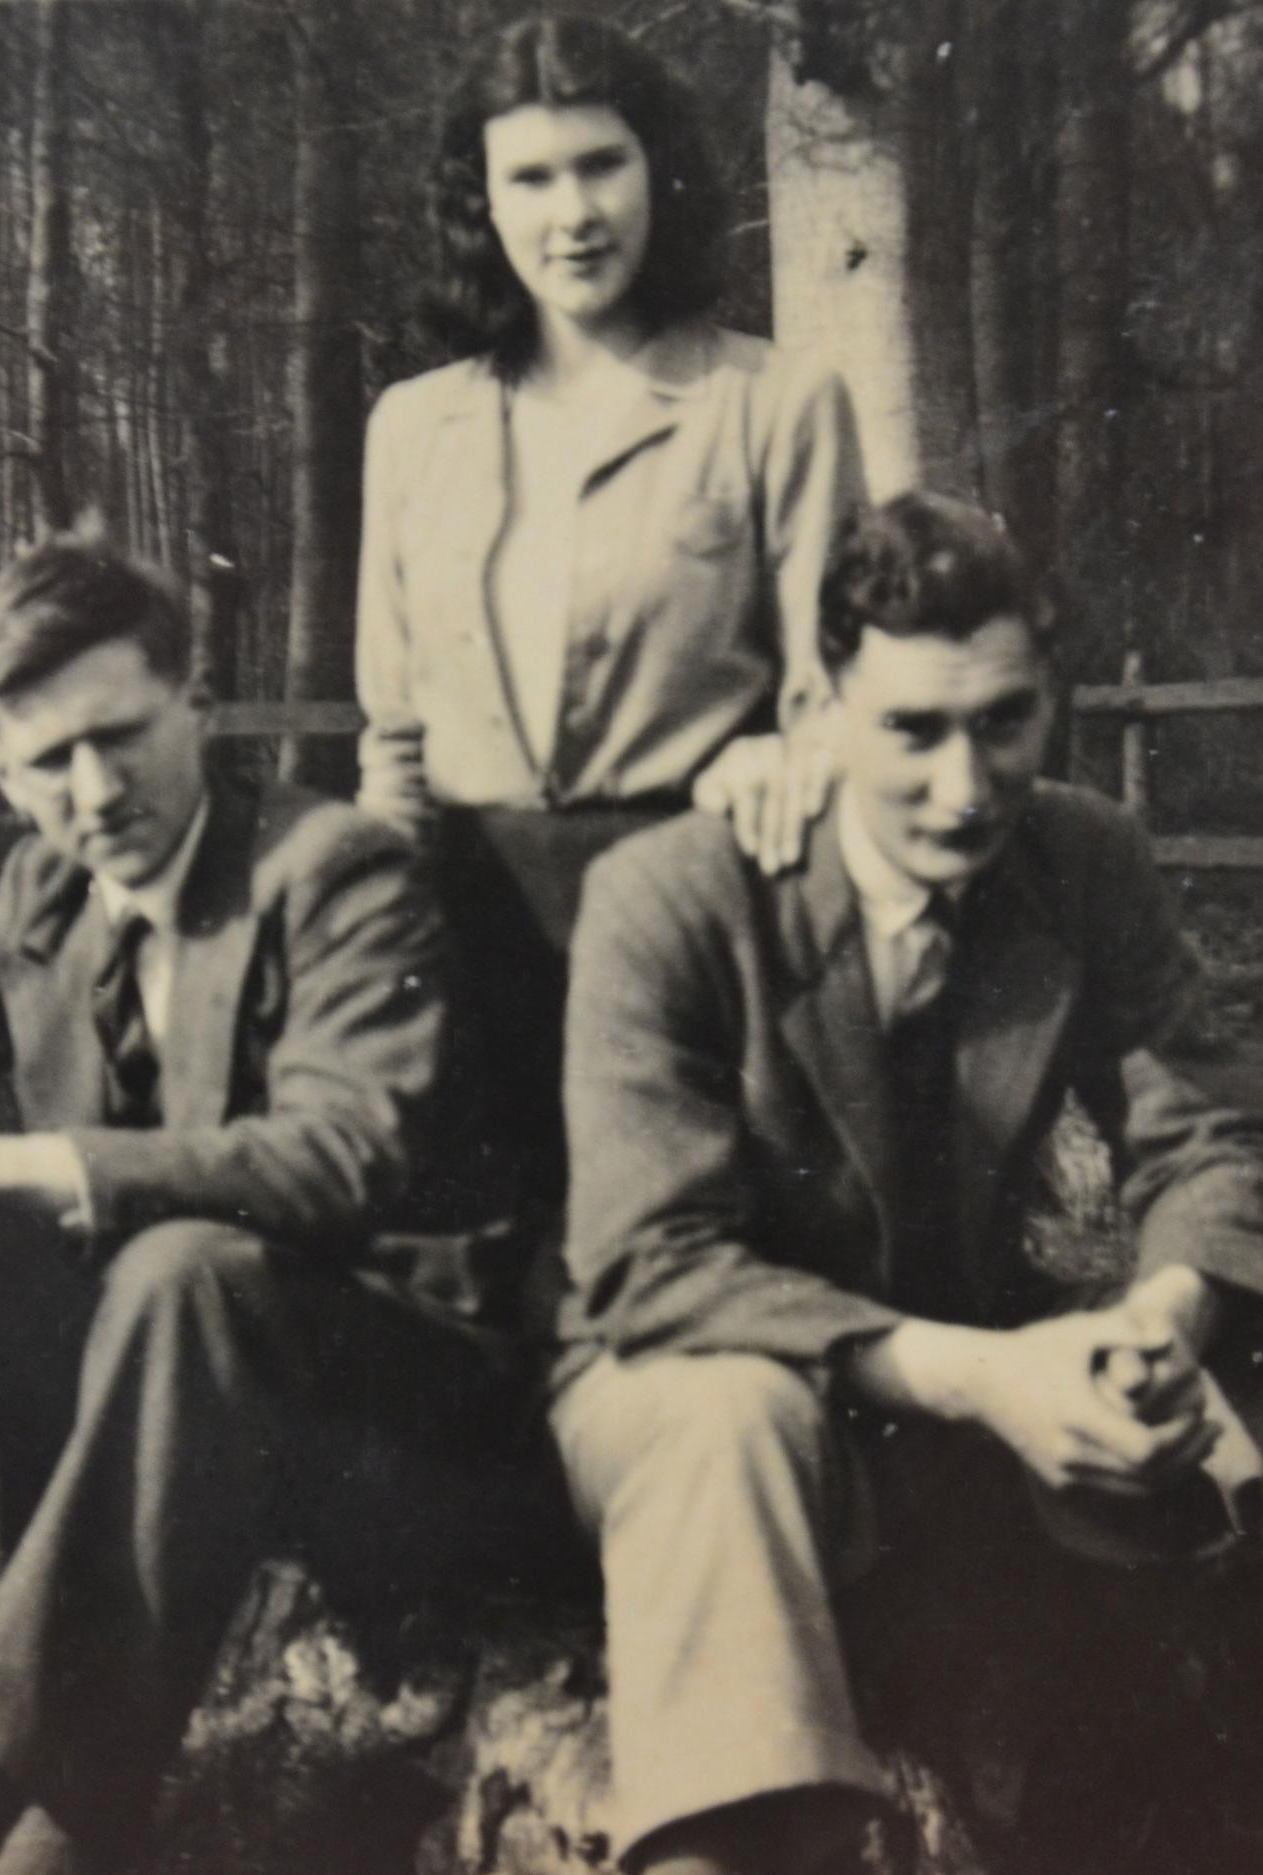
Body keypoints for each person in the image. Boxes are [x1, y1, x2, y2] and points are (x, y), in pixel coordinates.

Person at [548, 492, 1263, 1875]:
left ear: (1052, 702)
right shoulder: (677, 893)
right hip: (719, 1386)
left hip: (988, 1390)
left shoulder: (1078, 853)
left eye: (1005, 721)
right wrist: (981, 1373)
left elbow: (1217, 1133)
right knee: (722, 1410)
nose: (966, 785)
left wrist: (1168, 1309)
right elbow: (651, 1265)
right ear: (818, 706)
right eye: (911, 730)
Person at [0, 528, 551, 1875]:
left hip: (398, 1390)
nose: (99, 785)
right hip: (169, 1374)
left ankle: (62, 1806)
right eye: (51, 759)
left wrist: (3, 1161)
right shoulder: (49, 887)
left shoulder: (334, 870)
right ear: (2, 774)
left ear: (198, 706)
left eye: (124, 734)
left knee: (180, 1266)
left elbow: (342, 1154)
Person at [352, 12, 864, 1235]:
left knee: (673, 1270)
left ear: (661, 173)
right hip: (466, 927)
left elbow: (835, 698)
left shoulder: (774, 402)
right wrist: (368, 929)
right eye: (529, 176)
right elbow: (396, 736)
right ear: (479, 199)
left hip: (691, 914)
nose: (571, 213)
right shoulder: (414, 427)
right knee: (479, 1298)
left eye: (601, 165)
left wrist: (779, 757)